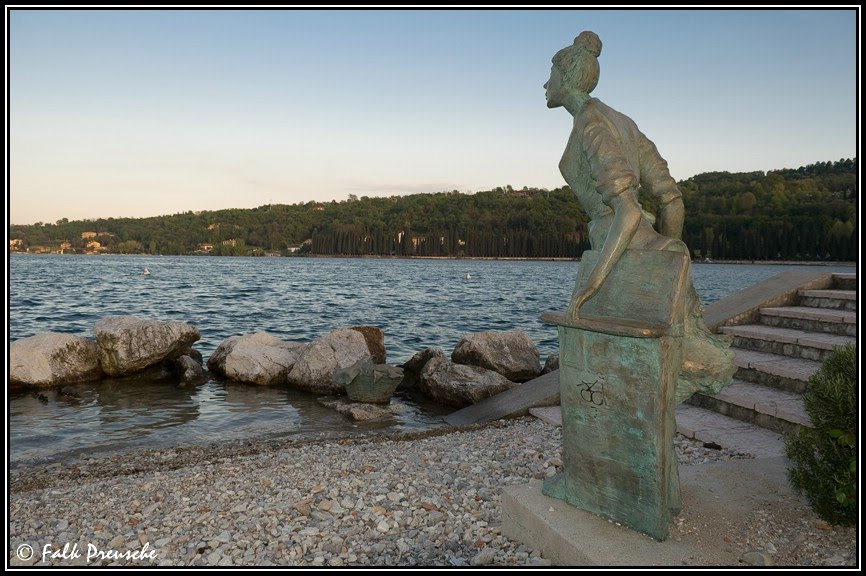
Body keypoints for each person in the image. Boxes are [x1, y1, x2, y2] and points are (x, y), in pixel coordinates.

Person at [546, 31, 733, 403]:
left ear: (566, 79)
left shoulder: (591, 123)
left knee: (613, 378)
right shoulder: (623, 122)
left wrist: (594, 283)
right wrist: (663, 258)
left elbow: (627, 210)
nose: (544, 84)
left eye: (550, 74)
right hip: (645, 250)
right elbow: (672, 200)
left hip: (617, 255)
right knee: (645, 380)